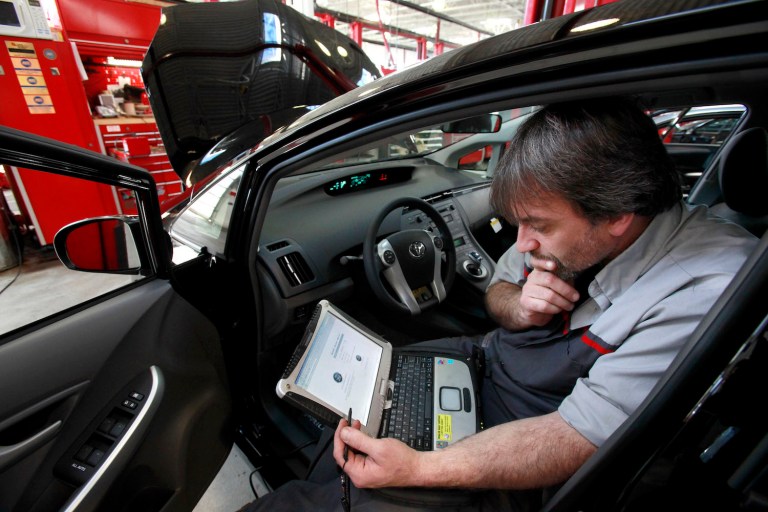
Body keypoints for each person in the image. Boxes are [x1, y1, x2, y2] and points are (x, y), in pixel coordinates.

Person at [243, 99, 757, 511]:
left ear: (618, 215)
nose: (523, 241)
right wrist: (520, 307)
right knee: (363, 403)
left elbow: (576, 438)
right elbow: (497, 292)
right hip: (483, 358)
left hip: (530, 442)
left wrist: (420, 469)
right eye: (518, 222)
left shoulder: (704, 285)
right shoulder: (571, 224)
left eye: (539, 225)